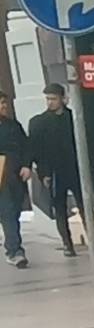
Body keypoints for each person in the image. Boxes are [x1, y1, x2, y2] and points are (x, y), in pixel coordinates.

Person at [26, 85, 79, 256]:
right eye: (47, 99)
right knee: (59, 208)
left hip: (74, 168)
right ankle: (67, 243)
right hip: (55, 171)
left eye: (53, 99)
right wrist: (44, 173)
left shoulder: (73, 118)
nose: (50, 102)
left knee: (84, 204)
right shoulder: (39, 122)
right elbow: (37, 150)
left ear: (63, 99)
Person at [0, 96, 27, 269]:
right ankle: (14, 250)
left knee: (15, 211)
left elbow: (25, 146)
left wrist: (26, 165)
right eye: (0, 103)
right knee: (8, 211)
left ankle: (12, 245)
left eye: (4, 103)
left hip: (14, 175)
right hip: (1, 176)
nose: (3, 106)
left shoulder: (13, 126)